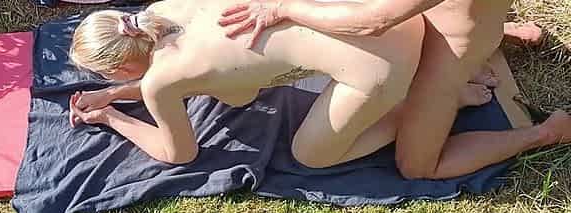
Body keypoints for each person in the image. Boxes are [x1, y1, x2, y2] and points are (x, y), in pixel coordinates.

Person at [68, 0, 494, 168]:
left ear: (121, 67)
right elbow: (199, 78)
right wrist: (115, 93)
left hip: (382, 66)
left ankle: (424, 104)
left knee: (312, 156)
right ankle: (434, 78)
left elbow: (178, 153)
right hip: (389, 18)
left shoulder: (160, 81)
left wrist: (111, 117)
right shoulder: (165, 10)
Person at [219, 0, 571, 179]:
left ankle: (544, 132)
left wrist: (282, 8)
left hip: (447, 53)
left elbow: (372, 21)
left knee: (419, 167)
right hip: (426, 20)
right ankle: (496, 32)